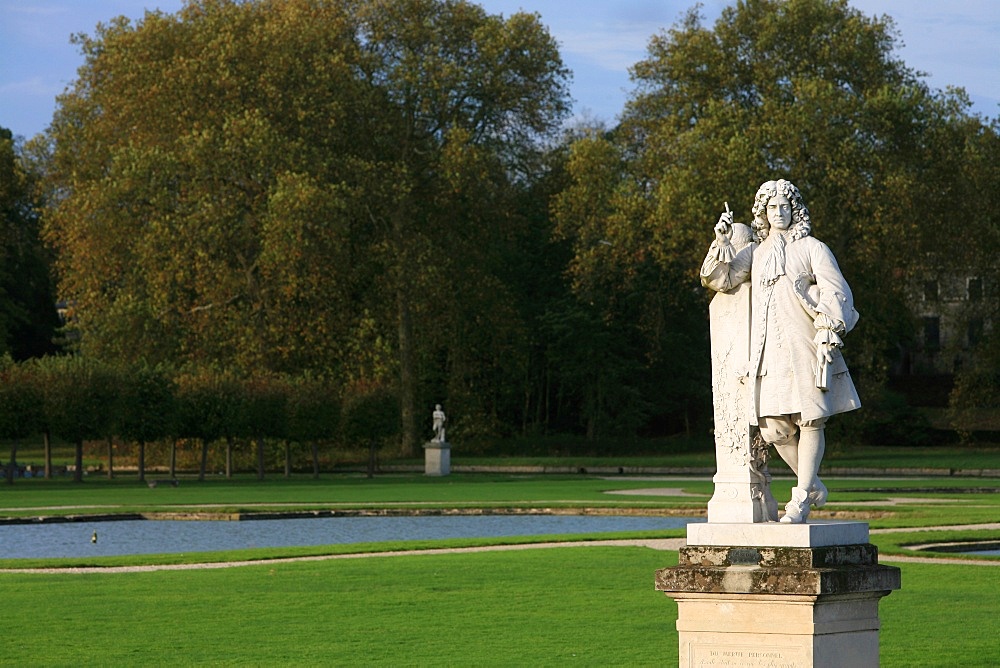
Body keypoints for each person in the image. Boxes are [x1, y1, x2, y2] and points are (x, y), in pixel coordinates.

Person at [700, 179, 861, 523]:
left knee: (811, 418)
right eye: (772, 207)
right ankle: (812, 480)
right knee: (773, 428)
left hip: (804, 342)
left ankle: (800, 500)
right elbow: (721, 279)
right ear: (763, 212)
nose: (779, 212)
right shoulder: (756, 253)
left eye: (785, 206)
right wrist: (721, 241)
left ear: (795, 208)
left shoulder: (813, 247)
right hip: (767, 347)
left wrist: (830, 328)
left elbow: (836, 290)